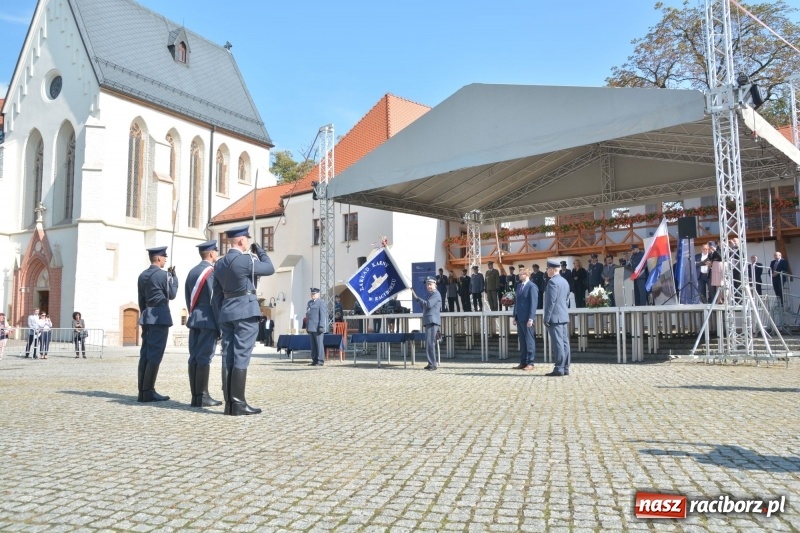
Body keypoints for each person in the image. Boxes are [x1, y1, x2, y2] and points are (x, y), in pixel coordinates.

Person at [212, 225, 275, 415]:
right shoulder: (246, 260)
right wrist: (261, 251)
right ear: (241, 241)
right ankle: (238, 403)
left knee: (228, 355)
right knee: (241, 355)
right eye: (247, 240)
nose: (247, 242)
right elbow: (270, 268)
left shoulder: (219, 264)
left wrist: (220, 316)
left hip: (227, 313)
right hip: (245, 312)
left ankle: (229, 404)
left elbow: (216, 296)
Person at [137, 246, 178, 402]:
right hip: (159, 317)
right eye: (164, 258)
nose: (165, 260)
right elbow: (172, 294)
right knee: (155, 354)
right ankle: (148, 391)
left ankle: (142, 390)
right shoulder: (163, 275)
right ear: (159, 258)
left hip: (147, 315)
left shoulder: (142, 276)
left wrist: (144, 314)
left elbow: (141, 299)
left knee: (145, 354)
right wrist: (174, 278)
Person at [185, 240, 223, 408]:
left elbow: (188, 297)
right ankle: (203, 396)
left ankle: (195, 396)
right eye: (216, 251)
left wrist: (193, 314)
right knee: (204, 357)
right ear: (211, 253)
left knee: (194, 356)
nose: (217, 253)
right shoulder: (211, 272)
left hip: (195, 317)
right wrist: (220, 324)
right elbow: (215, 299)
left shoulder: (192, 272)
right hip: (209, 318)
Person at [544, 260, 571, 377]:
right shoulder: (564, 281)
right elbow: (567, 300)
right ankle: (565, 367)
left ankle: (559, 367)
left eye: (547, 269)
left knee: (558, 343)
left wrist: (546, 318)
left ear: (552, 270)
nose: (546, 271)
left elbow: (550, 302)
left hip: (555, 317)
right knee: (565, 343)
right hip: (563, 316)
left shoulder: (552, 282)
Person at [412, 277, 441, 370]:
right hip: (429, 321)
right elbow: (425, 306)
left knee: (430, 343)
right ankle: (430, 363)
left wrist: (419, 298)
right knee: (429, 343)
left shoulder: (436, 294)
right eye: (427, 284)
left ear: (435, 284)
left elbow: (428, 305)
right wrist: (417, 299)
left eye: (430, 284)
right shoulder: (431, 295)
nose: (429, 286)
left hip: (432, 321)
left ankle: (433, 364)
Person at [512, 267, 538, 371]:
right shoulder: (519, 286)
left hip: (527, 318)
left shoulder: (532, 286)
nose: (519, 276)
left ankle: (530, 362)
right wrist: (515, 316)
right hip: (519, 318)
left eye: (521, 274)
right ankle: (523, 362)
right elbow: (517, 302)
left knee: (529, 340)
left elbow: (533, 303)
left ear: (527, 275)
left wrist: (531, 318)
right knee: (522, 341)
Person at [306, 287, 327, 367]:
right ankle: (314, 360)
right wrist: (307, 326)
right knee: (313, 345)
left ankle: (320, 360)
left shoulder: (321, 303)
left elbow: (322, 315)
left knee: (319, 344)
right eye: (312, 294)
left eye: (314, 294)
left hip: (317, 327)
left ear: (318, 294)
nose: (312, 295)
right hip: (311, 327)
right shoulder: (309, 303)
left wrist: (321, 326)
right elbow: (308, 315)